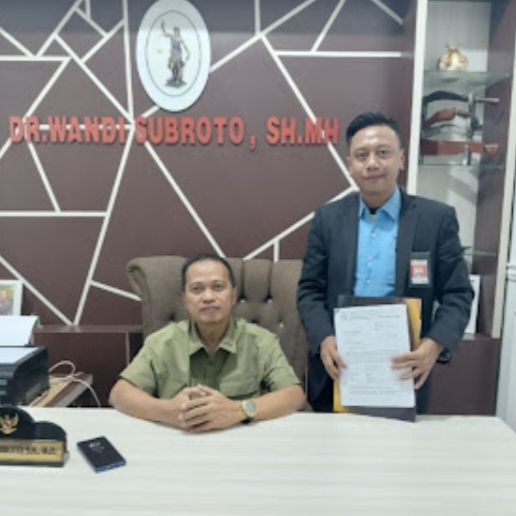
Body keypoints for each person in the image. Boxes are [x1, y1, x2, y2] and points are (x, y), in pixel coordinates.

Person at [297, 111, 473, 413]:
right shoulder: (327, 219)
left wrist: (434, 344)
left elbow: (458, 295)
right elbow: (309, 291)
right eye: (361, 155)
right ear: (349, 164)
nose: (372, 163)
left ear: (401, 158)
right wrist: (324, 339)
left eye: (383, 153)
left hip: (404, 372)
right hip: (339, 370)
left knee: (397, 445)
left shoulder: (435, 220)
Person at [110, 253, 305, 432]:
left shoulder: (260, 341)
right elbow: (119, 394)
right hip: (178, 441)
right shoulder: (162, 342)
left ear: (233, 295)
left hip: (240, 442)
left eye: (218, 287)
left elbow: (294, 395)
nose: (208, 297)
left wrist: (239, 410)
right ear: (185, 300)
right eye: (197, 289)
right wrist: (167, 411)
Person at [161, 20, 189, 86]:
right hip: (172, 53)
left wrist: (188, 52)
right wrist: (163, 27)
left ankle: (178, 79)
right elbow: (165, 33)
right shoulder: (172, 36)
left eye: (177, 31)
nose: (175, 32)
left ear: (178, 32)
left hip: (178, 53)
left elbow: (184, 45)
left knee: (178, 66)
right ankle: (173, 76)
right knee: (171, 66)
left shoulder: (179, 38)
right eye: (175, 31)